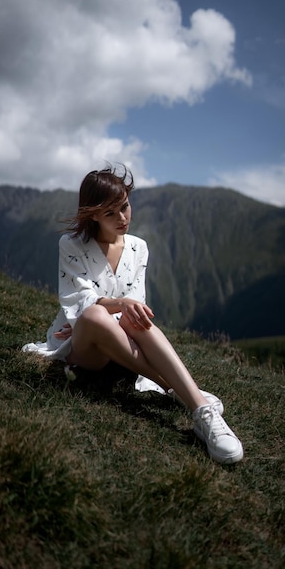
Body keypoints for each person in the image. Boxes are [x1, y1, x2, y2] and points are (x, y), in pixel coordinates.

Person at [23, 165, 243, 464]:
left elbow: (136, 304)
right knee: (95, 315)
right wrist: (115, 307)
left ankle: (202, 412)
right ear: (93, 214)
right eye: (110, 213)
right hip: (84, 348)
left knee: (134, 316)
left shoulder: (139, 248)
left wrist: (125, 307)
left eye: (124, 207)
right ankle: (177, 390)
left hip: (120, 341)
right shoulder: (71, 244)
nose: (122, 218)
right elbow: (80, 298)